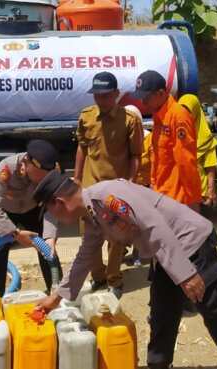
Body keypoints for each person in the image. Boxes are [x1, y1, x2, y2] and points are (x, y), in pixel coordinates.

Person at [33, 172, 217, 369]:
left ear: (59, 203)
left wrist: (186, 273)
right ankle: (158, 365)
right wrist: (56, 297)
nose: (58, 220)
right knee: (162, 314)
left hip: (191, 244)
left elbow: (154, 226)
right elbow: (85, 257)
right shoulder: (92, 214)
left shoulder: (108, 196)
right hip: (166, 255)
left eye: (52, 213)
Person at [73, 72, 144, 299]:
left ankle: (114, 279)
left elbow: (136, 155)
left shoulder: (129, 120)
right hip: (89, 188)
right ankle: (98, 276)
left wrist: (131, 182)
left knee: (116, 238)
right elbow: (82, 148)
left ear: (116, 94)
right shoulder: (86, 117)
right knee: (88, 237)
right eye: (97, 96)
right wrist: (77, 178)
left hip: (116, 190)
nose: (100, 100)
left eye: (105, 95)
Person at [0, 139, 63, 296]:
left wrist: (50, 237)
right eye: (38, 177)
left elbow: (51, 205)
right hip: (6, 213)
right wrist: (15, 233)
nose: (41, 181)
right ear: (26, 163)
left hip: (33, 210)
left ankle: (56, 293)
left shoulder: (52, 172)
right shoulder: (6, 168)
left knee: (47, 250)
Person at [131, 70, 202, 211]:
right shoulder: (159, 117)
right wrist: (153, 184)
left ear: (161, 93)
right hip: (162, 194)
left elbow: (186, 160)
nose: (142, 102)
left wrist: (192, 198)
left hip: (179, 199)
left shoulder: (178, 116)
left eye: (146, 97)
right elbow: (157, 157)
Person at [178, 94, 217, 208]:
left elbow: (210, 167)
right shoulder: (176, 133)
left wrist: (211, 190)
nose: (185, 115)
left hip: (199, 194)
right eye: (182, 111)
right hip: (179, 193)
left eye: (189, 111)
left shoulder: (206, 138)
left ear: (196, 111)